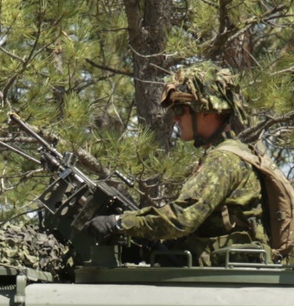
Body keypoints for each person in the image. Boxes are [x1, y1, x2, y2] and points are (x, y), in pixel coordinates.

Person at [86, 62, 269, 266]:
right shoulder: (232, 154)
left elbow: (182, 218)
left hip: (218, 278)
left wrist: (119, 223)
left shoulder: (223, 160)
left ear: (207, 111)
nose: (175, 118)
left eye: (181, 110)